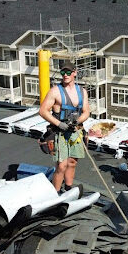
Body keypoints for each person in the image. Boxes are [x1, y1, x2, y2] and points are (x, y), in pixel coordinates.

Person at [39, 61, 90, 192]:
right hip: (60, 133)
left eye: (68, 72)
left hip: (75, 131)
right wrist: (59, 124)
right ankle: (55, 193)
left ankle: (68, 188)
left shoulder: (82, 92)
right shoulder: (55, 91)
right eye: (63, 72)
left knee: (72, 162)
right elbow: (43, 111)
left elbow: (86, 112)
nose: (65, 75)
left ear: (74, 73)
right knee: (61, 165)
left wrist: (77, 122)